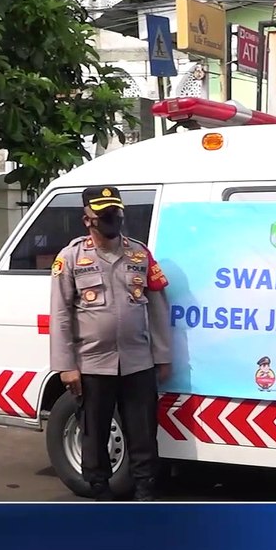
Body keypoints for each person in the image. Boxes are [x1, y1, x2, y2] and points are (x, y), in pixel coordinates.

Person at [50, 186, 173, 501]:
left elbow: (158, 306)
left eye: (116, 213)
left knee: (143, 433)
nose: (112, 219)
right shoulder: (71, 257)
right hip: (92, 364)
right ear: (87, 219)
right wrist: (66, 366)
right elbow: (61, 315)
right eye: (104, 214)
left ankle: (145, 491)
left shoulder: (139, 254)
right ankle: (99, 491)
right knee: (94, 433)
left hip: (138, 362)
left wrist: (162, 355)